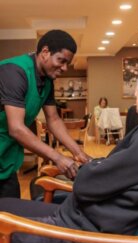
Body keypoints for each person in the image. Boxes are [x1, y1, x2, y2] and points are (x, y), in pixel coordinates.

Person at [1, 64, 138, 243]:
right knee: (5, 203)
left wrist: (92, 168)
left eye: (136, 98)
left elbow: (85, 185)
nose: (137, 108)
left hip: (79, 234)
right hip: (85, 223)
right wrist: (97, 166)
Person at [0, 30, 90, 198]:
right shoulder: (14, 72)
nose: (64, 68)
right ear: (45, 52)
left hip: (7, 159)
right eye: (61, 61)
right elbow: (17, 128)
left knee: (11, 214)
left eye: (67, 63)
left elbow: (54, 119)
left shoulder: (47, 80)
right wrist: (57, 157)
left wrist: (78, 153)